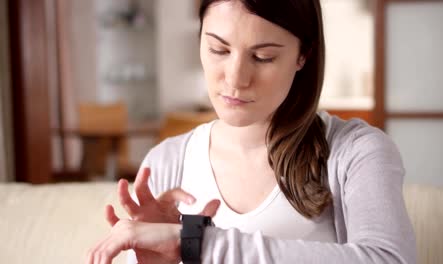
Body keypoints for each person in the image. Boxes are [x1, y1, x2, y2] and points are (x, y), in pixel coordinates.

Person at [87, 0, 416, 263]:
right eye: (219, 50)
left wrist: (197, 243)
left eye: (262, 57)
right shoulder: (167, 160)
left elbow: (388, 259)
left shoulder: (357, 151)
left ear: (304, 55)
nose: (235, 78)